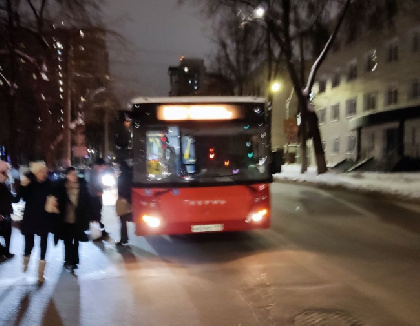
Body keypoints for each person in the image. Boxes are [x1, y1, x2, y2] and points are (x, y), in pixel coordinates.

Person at [20, 161, 55, 283]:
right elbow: (19, 197)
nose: (44, 173)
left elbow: (55, 196)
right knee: (29, 244)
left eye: (45, 171)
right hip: (30, 217)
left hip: (44, 218)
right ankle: (26, 261)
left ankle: (41, 273)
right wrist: (23, 186)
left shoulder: (49, 184)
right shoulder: (30, 184)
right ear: (35, 172)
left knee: (43, 244)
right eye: (41, 171)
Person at [54, 167, 91, 271]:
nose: (75, 176)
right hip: (65, 219)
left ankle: (74, 261)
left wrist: (91, 216)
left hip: (78, 219)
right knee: (67, 241)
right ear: (67, 176)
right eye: (72, 174)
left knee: (76, 241)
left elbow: (88, 201)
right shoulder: (61, 187)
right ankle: (67, 260)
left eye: (75, 174)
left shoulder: (82, 187)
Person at [85, 158, 109, 241]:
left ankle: (101, 232)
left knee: (96, 216)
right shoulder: (93, 173)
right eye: (103, 166)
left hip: (94, 197)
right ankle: (97, 234)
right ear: (99, 166)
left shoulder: (93, 172)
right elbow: (92, 185)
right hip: (94, 198)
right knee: (96, 216)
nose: (103, 168)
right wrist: (98, 192)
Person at [0, 160, 20, 260]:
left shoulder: (4, 184)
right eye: (4, 172)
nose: (7, 174)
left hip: (5, 214)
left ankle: (5, 252)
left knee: (7, 235)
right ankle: (5, 253)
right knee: (6, 235)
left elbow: (12, 198)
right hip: (2, 215)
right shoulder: (2, 185)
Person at [115, 160, 132, 246]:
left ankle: (124, 238)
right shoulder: (130, 174)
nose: (117, 168)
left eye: (117, 166)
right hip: (129, 199)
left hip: (124, 200)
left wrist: (123, 198)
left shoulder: (122, 176)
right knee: (125, 220)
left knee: (123, 220)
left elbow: (122, 188)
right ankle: (124, 238)